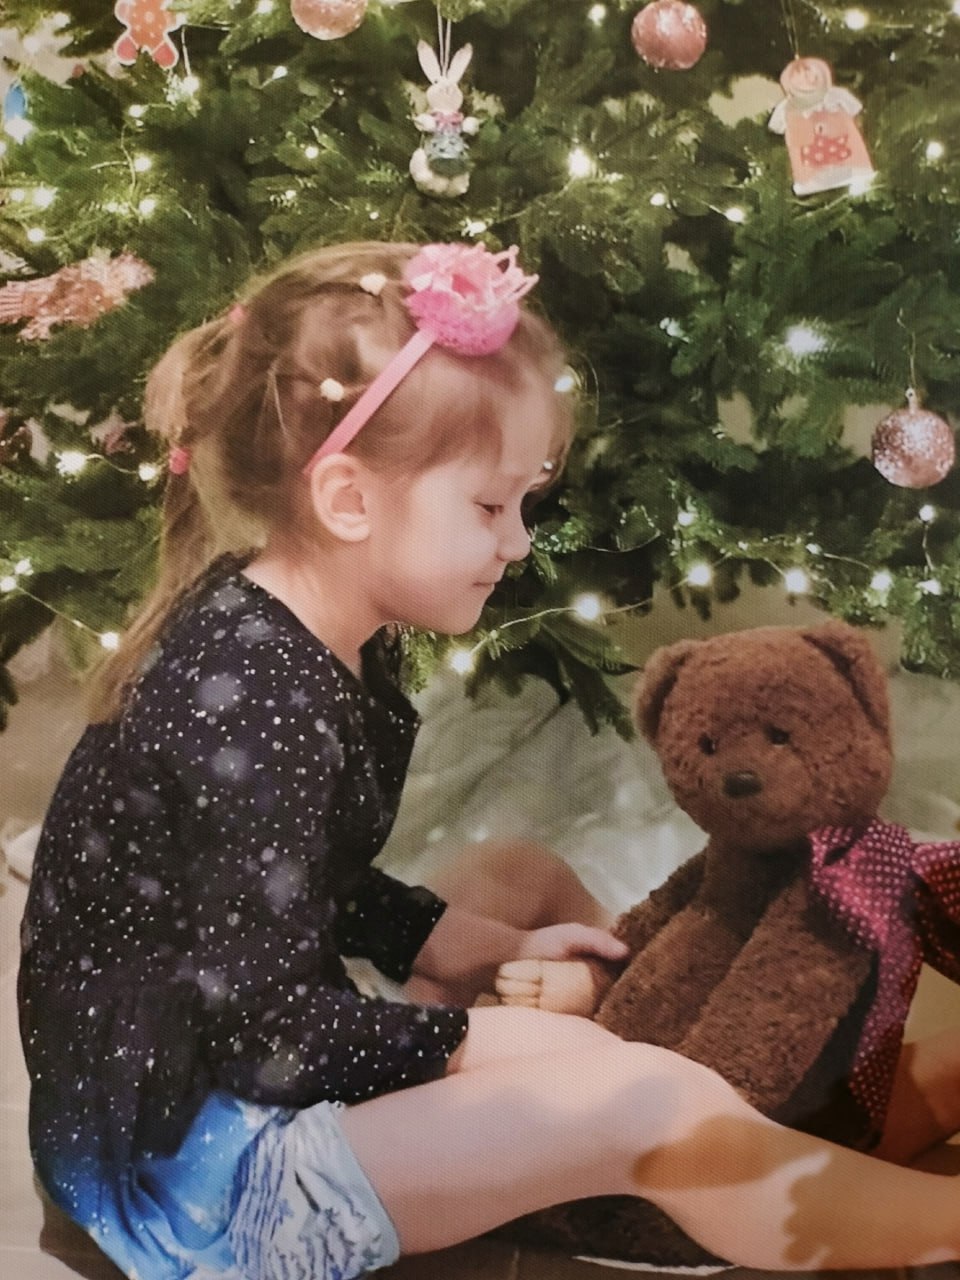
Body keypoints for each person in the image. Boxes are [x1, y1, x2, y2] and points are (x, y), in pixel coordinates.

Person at [17, 239, 960, 1280]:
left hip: (206, 1078)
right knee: (644, 1097)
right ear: (347, 499)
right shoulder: (255, 702)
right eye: (487, 506)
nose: (516, 543)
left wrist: (456, 941)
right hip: (199, 1186)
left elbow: (298, 884)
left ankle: (698, 1107)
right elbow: (264, 1033)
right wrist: (469, 1045)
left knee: (510, 874)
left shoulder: (305, 628)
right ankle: (744, 1161)